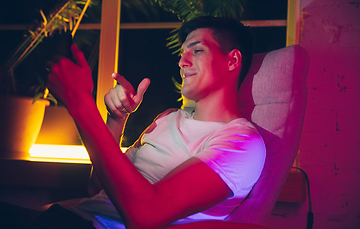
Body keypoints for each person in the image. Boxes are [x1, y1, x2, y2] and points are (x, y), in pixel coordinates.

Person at [1, 16, 266, 229]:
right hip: (71, 215)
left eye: (196, 50)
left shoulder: (242, 142)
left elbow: (145, 216)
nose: (182, 62)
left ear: (232, 60)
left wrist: (80, 104)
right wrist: (116, 120)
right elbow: (97, 187)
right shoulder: (167, 118)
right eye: (182, 53)